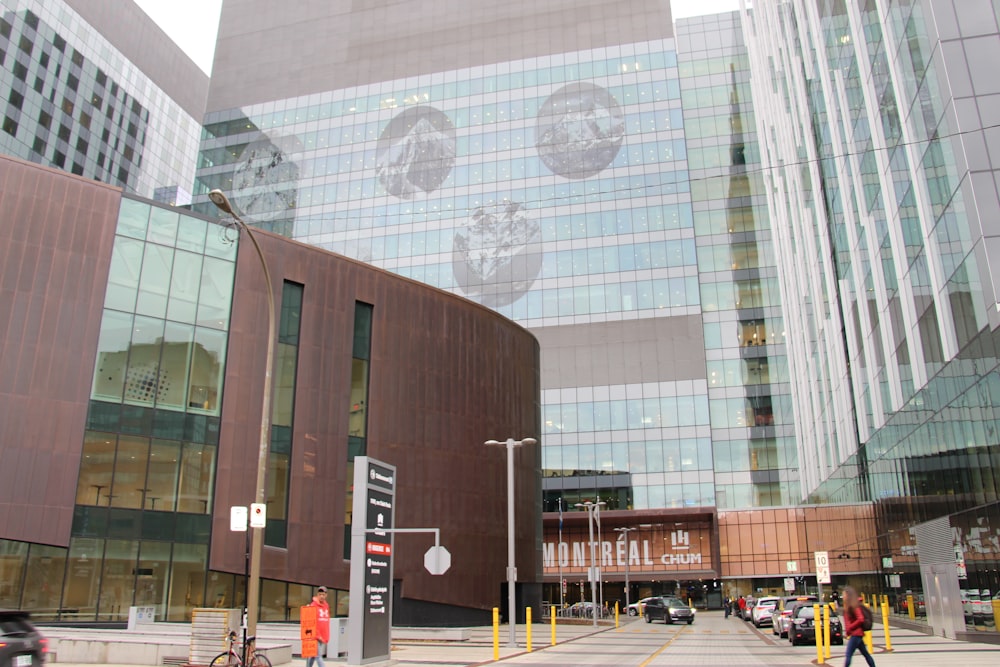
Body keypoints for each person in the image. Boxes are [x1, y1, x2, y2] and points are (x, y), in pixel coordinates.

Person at [842, 586, 875, 667]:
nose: (843, 597)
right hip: (856, 634)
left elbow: (861, 619)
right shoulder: (848, 606)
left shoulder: (854, 606)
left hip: (856, 634)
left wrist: (850, 627)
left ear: (848, 595)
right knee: (865, 654)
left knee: (848, 655)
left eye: (844, 595)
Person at [306, 586, 331, 667]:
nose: (321, 596)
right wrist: (316, 634)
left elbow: (326, 621)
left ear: (326, 595)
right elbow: (310, 621)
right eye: (320, 594)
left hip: (322, 634)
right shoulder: (313, 605)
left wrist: (325, 635)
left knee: (313, 655)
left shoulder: (326, 606)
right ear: (317, 595)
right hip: (315, 635)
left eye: (323, 594)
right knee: (318, 656)